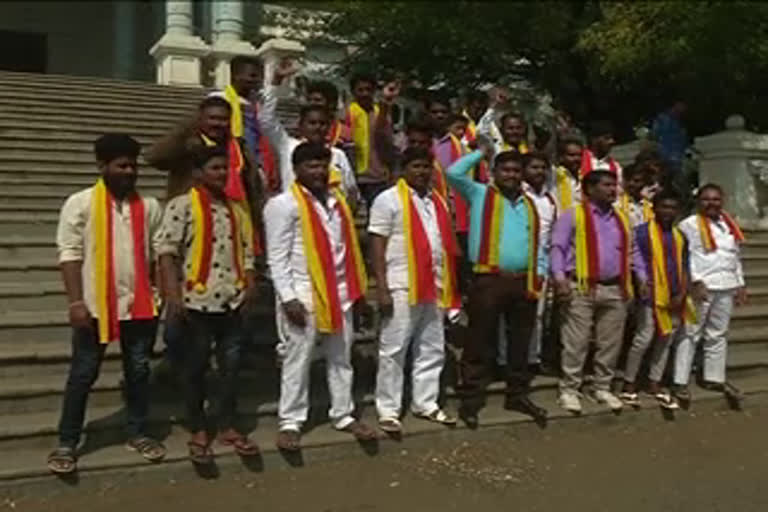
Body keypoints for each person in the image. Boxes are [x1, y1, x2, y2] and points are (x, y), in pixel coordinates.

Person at [48, 134, 166, 474]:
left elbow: (158, 254)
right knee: (84, 373)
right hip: (95, 305)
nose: (129, 172)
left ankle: (137, 432)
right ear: (102, 166)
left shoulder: (150, 207)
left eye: (133, 165)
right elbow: (69, 254)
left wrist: (159, 293)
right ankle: (68, 442)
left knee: (139, 371)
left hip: (140, 306)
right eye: (121, 165)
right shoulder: (80, 203)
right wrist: (75, 303)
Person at [264, 142, 378, 451]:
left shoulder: (337, 202)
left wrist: (357, 292)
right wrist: (288, 298)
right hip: (303, 290)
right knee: (297, 358)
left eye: (322, 165)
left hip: (339, 290)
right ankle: (290, 420)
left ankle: (343, 413)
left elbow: (346, 249)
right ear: (297, 170)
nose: (318, 172)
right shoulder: (283, 204)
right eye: (311, 166)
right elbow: (277, 256)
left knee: (341, 356)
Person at [158, 145, 260, 465]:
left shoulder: (237, 209)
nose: (220, 174)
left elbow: (247, 253)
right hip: (195, 301)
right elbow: (167, 252)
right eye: (214, 168)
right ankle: (198, 428)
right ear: (199, 173)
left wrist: (250, 286)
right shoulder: (182, 205)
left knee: (230, 367)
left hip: (231, 300)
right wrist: (173, 295)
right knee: (196, 367)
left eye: (224, 169)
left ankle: (227, 424)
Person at [446, 148, 548, 428]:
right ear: (494, 173)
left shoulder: (529, 205)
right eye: (506, 170)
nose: (512, 175)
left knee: (520, 341)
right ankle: (471, 400)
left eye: (516, 171)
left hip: (522, 280)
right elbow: (451, 173)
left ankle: (517, 394)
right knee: (479, 339)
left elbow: (537, 244)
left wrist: (537, 276)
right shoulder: (480, 194)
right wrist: (481, 152)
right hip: (489, 279)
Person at [369, 147, 461, 433]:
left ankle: (426, 402)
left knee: (432, 347)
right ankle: (388, 408)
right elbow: (377, 244)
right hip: (400, 284)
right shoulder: (388, 199)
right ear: (403, 169)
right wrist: (381, 287)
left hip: (434, 283)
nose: (422, 172)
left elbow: (443, 245)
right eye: (416, 167)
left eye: (426, 167)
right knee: (394, 348)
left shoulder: (437, 202)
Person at [550, 169, 633, 414]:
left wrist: (638, 278)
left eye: (614, 185)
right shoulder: (572, 215)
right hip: (581, 285)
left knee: (610, 342)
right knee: (576, 341)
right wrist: (559, 278)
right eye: (606, 185)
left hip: (614, 287)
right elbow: (557, 248)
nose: (612, 190)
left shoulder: (621, 218)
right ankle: (569, 389)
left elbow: (630, 252)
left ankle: (602, 387)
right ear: (589, 189)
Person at [672, 184, 748, 404]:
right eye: (706, 199)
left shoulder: (728, 224)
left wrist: (740, 284)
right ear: (698, 201)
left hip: (726, 284)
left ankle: (714, 377)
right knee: (690, 333)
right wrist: (694, 281)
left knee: (718, 333)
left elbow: (733, 256)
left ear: (722, 201)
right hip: (702, 286)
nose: (711, 203)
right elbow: (684, 255)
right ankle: (680, 381)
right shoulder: (689, 225)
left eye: (715, 199)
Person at [620, 189, 694, 409]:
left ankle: (655, 380)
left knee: (667, 337)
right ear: (653, 208)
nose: (668, 212)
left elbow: (685, 265)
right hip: (649, 294)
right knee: (644, 337)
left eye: (672, 208)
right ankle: (629, 382)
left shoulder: (680, 236)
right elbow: (636, 260)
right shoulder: (641, 233)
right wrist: (641, 283)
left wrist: (682, 292)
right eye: (664, 207)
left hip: (675, 293)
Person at [259, 60, 358, 206]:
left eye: (322, 124)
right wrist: (276, 82)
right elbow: (266, 119)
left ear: (328, 126)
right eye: (312, 123)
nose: (317, 127)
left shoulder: (338, 155)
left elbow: (351, 191)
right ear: (301, 126)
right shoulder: (288, 146)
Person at [208, 55, 278, 196]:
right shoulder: (219, 98)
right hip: (229, 161)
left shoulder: (256, 103)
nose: (256, 80)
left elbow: (266, 122)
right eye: (251, 75)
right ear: (235, 75)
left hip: (255, 163)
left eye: (259, 76)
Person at [520, 152, 558, 368]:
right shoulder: (519, 195)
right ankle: (505, 359)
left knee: (539, 314)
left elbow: (551, 233)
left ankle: (533, 357)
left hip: (542, 264)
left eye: (543, 168)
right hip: (520, 262)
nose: (539, 172)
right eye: (534, 167)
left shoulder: (549, 198)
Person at [344, 72, 390, 206]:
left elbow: (387, 141)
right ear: (353, 92)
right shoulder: (347, 113)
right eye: (360, 90)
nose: (365, 93)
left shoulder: (380, 113)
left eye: (368, 90)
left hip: (377, 176)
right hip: (353, 175)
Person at [651, 99, 689, 183]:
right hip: (665, 156)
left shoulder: (679, 122)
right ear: (676, 104)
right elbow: (654, 135)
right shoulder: (663, 118)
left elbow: (683, 141)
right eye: (682, 106)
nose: (683, 109)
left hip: (678, 159)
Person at [306, 79, 344, 147]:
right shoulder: (300, 130)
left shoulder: (344, 133)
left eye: (317, 100)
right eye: (309, 100)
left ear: (331, 104)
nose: (311, 104)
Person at [551, 136, 584, 211]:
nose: (577, 159)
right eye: (572, 155)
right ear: (561, 157)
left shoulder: (584, 177)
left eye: (579, 155)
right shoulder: (555, 174)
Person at [616, 163, 654, 228]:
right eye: (628, 180)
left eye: (636, 181)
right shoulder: (616, 205)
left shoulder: (651, 205)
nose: (631, 183)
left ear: (644, 182)